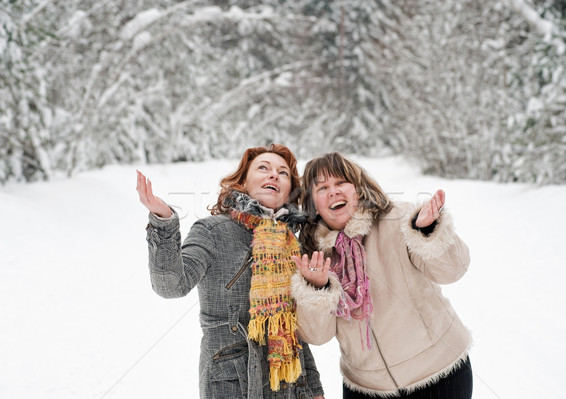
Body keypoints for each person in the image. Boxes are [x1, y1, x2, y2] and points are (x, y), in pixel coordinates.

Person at [136, 144, 325, 399]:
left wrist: (314, 389)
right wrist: (163, 221)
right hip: (232, 382)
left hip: (289, 386)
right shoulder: (212, 230)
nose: (274, 175)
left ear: (290, 190)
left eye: (283, 173)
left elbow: (293, 327)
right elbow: (171, 286)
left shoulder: (292, 243)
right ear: (243, 181)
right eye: (263, 168)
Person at [290, 152, 472, 399]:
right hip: (366, 389)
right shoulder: (314, 256)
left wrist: (427, 230)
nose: (333, 192)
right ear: (313, 204)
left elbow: (453, 270)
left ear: (358, 188)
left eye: (341, 182)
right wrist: (317, 288)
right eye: (322, 188)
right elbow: (317, 336)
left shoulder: (399, 219)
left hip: (439, 374)